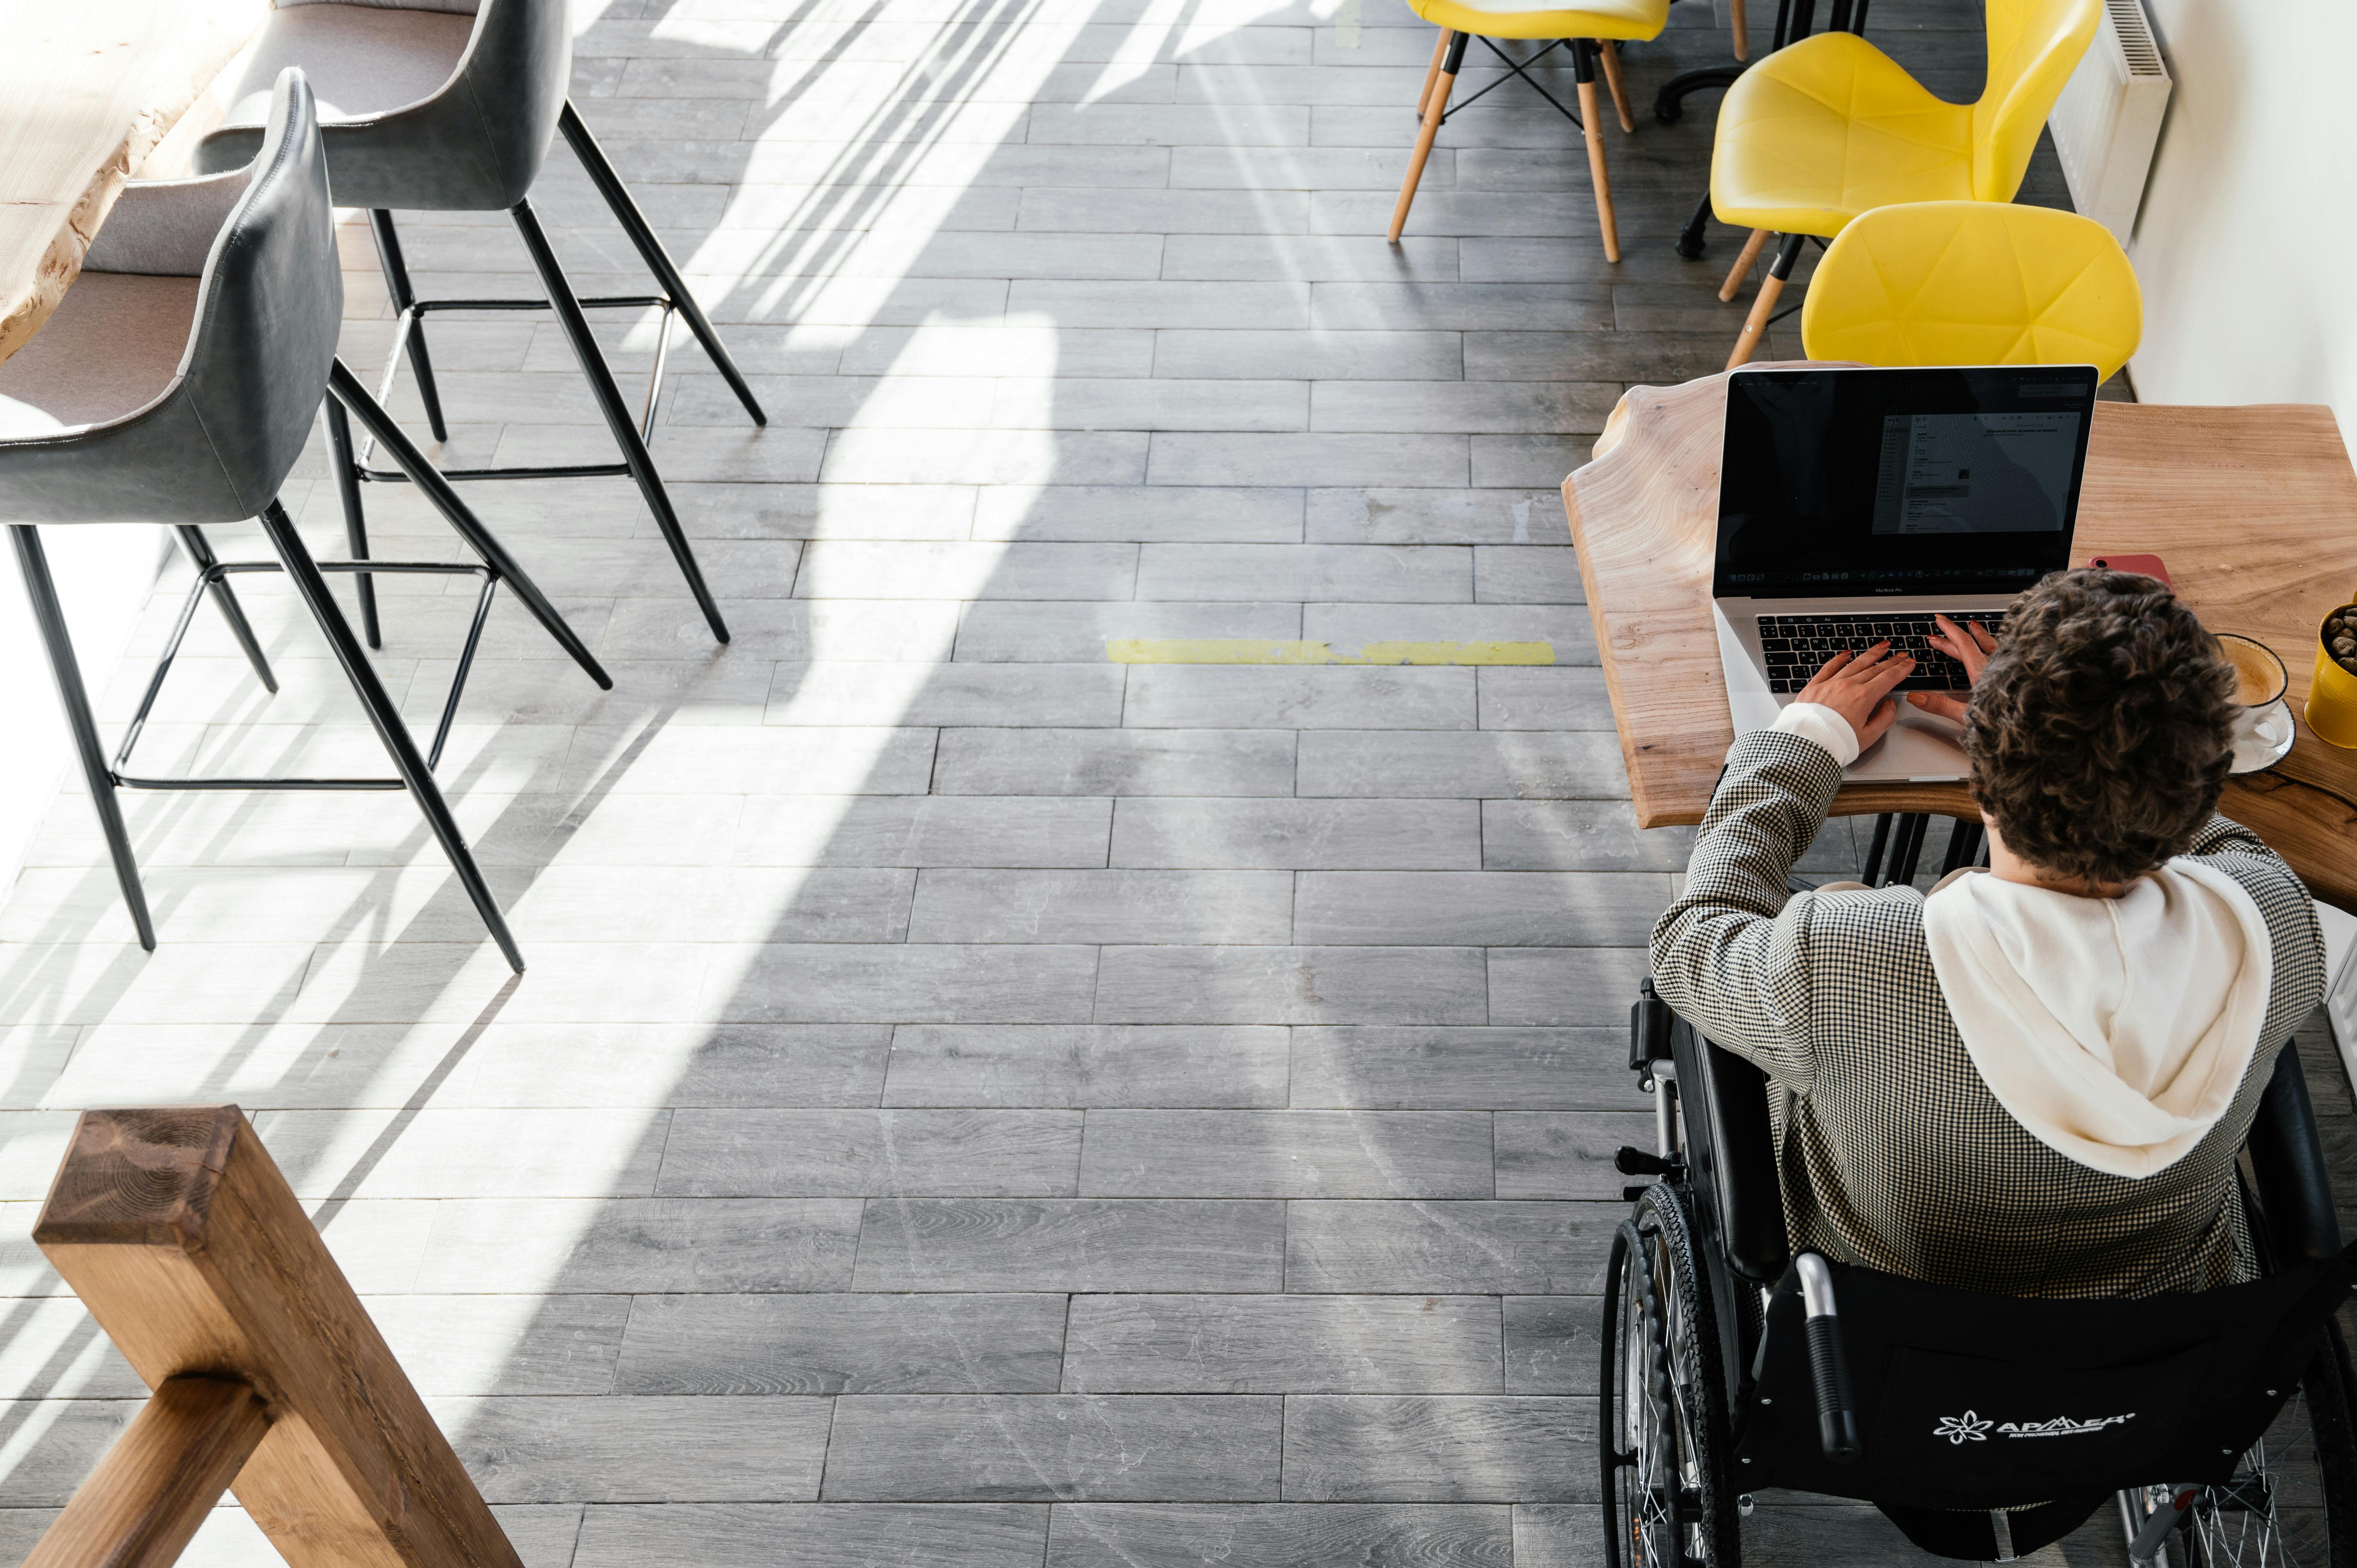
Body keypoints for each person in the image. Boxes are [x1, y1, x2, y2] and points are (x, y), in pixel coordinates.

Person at [1649, 568, 2327, 1298]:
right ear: (2204, 781)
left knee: (1824, 916)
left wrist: (1802, 743)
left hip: (1879, 1314)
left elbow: (1692, 939)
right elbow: (2231, 848)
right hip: (2155, 1343)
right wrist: (2087, 746)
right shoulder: (2280, 929)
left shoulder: (1850, 961)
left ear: (1980, 778)